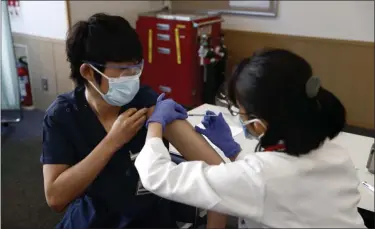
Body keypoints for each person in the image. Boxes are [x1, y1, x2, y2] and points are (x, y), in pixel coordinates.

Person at [135, 48, 366, 228]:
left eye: (240, 110)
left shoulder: (261, 177)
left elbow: (157, 176)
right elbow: (277, 183)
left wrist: (156, 122)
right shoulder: (335, 152)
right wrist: (234, 151)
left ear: (259, 123)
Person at [41, 13, 227, 228]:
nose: (133, 77)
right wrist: (112, 142)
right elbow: (55, 198)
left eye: (136, 67)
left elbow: (219, 175)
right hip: (93, 219)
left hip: (148, 219)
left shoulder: (149, 105)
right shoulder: (63, 116)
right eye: (123, 70)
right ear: (88, 72)